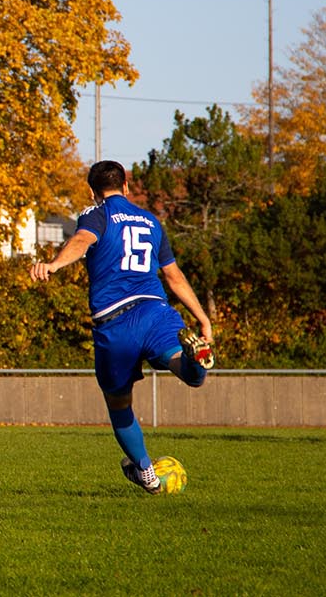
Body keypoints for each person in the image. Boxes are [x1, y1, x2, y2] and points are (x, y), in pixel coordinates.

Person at [31, 161, 214, 494]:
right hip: (156, 310)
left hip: (116, 324)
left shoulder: (96, 214)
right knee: (181, 366)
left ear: (92, 191)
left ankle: (146, 473)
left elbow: (83, 240)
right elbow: (173, 276)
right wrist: (202, 319)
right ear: (126, 186)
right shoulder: (151, 221)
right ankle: (193, 360)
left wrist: (55, 264)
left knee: (119, 403)